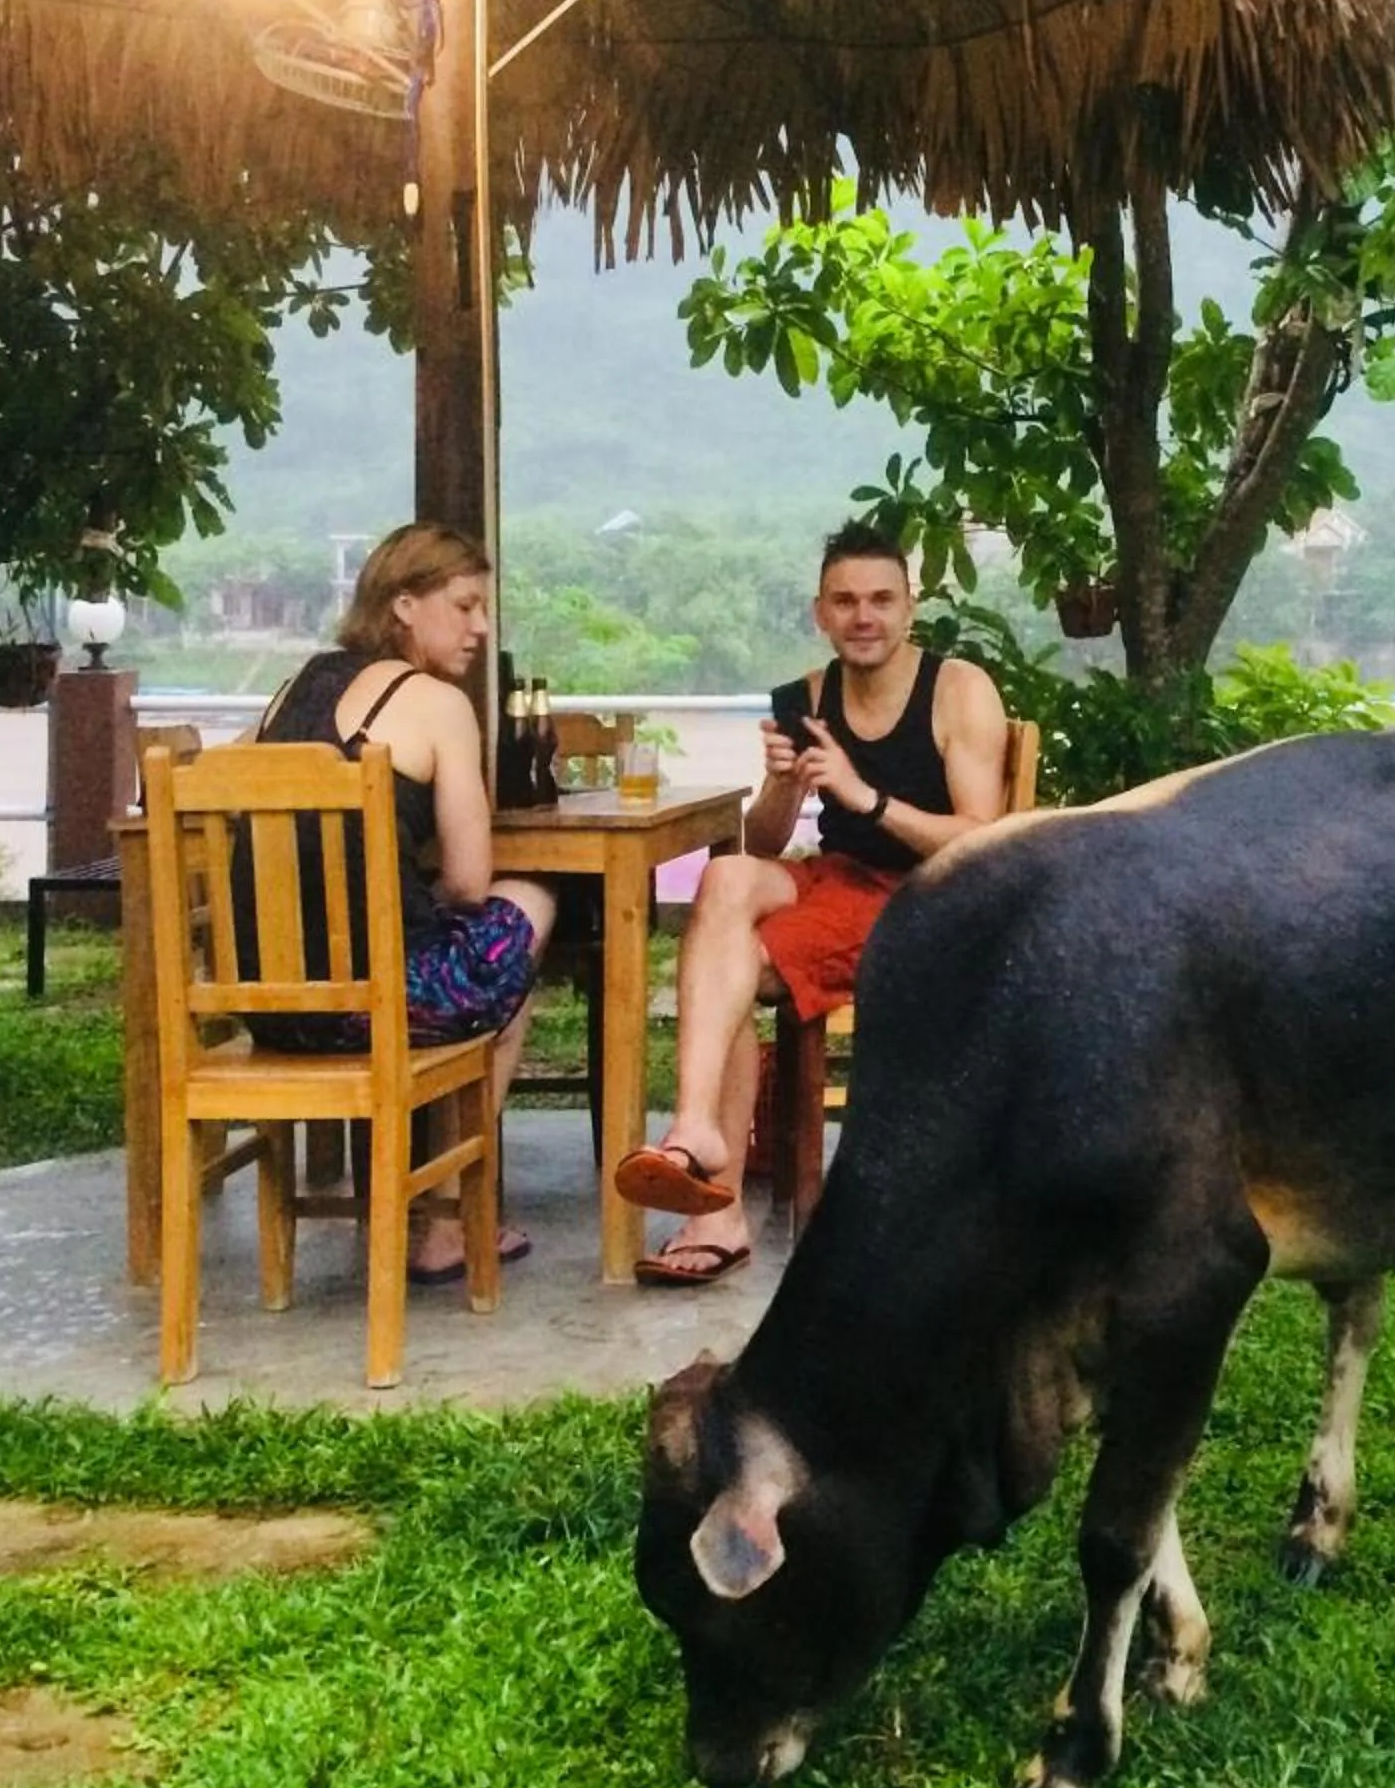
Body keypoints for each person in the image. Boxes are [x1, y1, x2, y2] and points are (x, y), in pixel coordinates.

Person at [614, 521, 1011, 1285]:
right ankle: (695, 1129)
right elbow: (763, 841)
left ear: (910, 607)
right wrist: (783, 784)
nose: (864, 616)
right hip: (835, 880)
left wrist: (865, 797)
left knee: (722, 970)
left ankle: (715, 1208)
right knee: (726, 881)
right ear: (820, 612)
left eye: (881, 600)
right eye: (846, 601)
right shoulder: (808, 696)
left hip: (928, 899)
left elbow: (982, 842)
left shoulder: (958, 691)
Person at [242, 522, 556, 1285]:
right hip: (374, 1006)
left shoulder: (293, 689)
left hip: (269, 1007)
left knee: (463, 960)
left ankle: (419, 1195)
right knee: (525, 915)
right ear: (404, 605)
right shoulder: (437, 703)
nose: (482, 627)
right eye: (465, 605)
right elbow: (470, 883)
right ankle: (446, 1220)